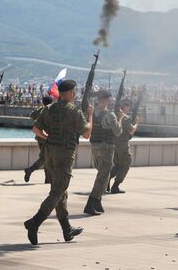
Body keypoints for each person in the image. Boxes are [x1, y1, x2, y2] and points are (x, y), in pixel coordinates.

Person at [24, 80, 93, 245]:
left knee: (61, 191)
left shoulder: (50, 108)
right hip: (65, 155)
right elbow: (87, 134)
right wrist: (90, 115)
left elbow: (35, 129)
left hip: (50, 154)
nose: (75, 94)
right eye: (74, 92)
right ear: (69, 93)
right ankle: (35, 222)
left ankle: (66, 229)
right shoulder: (73, 110)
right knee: (57, 192)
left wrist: (47, 138)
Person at [84, 90, 123, 215]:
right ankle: (91, 202)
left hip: (95, 146)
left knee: (103, 174)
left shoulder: (92, 113)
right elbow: (118, 132)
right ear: (105, 100)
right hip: (107, 147)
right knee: (103, 176)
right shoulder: (109, 115)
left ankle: (98, 201)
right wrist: (120, 118)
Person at [109, 99, 138, 194]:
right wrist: (137, 123)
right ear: (124, 107)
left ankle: (106, 179)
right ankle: (115, 185)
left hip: (115, 145)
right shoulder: (125, 118)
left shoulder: (114, 116)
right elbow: (131, 130)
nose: (129, 108)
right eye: (127, 106)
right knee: (125, 164)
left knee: (117, 165)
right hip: (122, 146)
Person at [24, 95, 53, 183]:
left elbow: (32, 115)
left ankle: (48, 178)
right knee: (45, 158)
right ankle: (30, 169)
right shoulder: (50, 111)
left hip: (39, 137)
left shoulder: (40, 110)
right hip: (46, 137)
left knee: (46, 158)